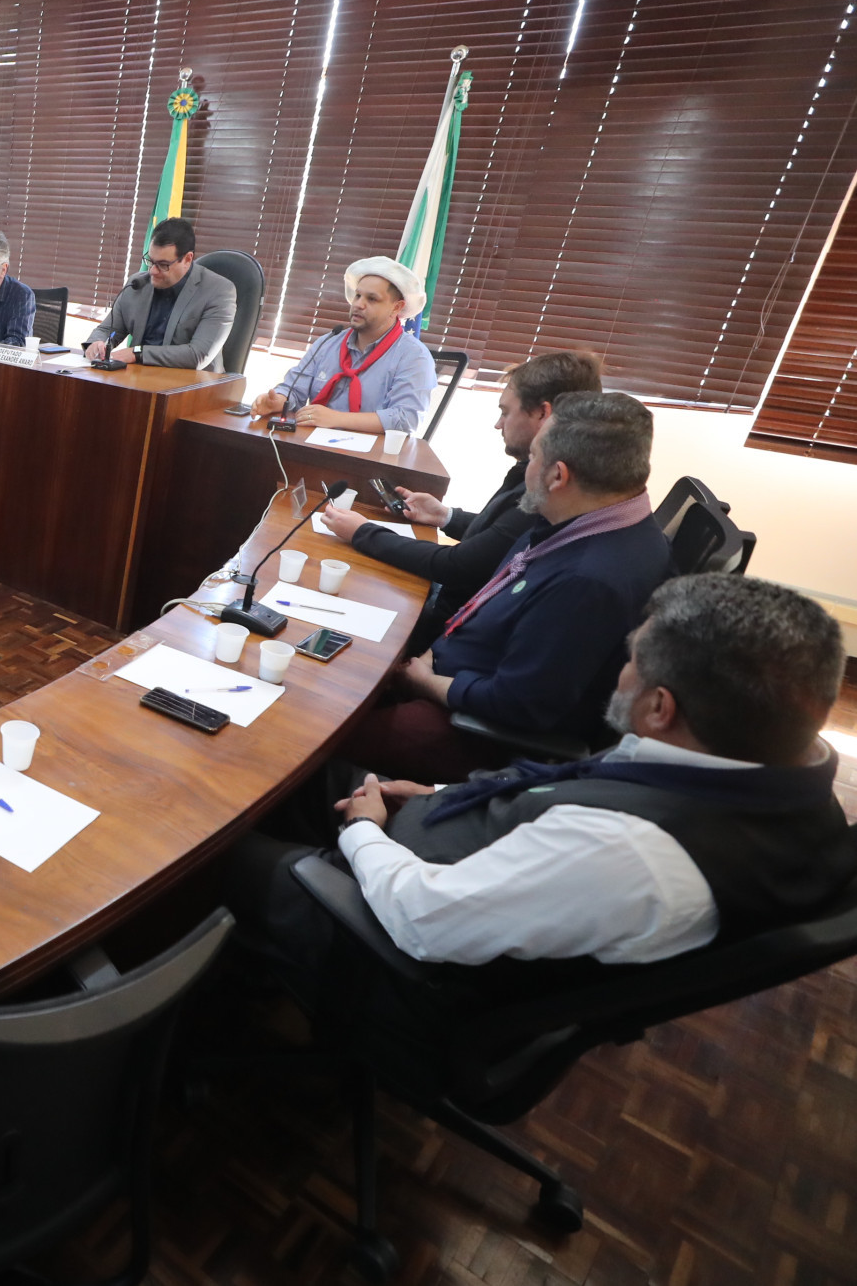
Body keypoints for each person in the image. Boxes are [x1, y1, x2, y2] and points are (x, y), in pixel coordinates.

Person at [225, 574, 855, 1063]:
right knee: (288, 771)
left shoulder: (631, 853)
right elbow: (579, 797)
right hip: (468, 854)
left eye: (633, 658)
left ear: (662, 707)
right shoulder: (774, 773)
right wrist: (437, 794)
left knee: (204, 844)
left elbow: (423, 920)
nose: (621, 668)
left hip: (395, 954)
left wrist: (363, 832)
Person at [342, 391, 671, 783]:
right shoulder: (589, 518)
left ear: (558, 476)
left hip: (474, 728)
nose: (525, 469)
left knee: (321, 729)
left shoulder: (587, 581)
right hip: (451, 672)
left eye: (533, 457)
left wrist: (426, 682)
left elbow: (519, 705)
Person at [320, 350, 603, 652]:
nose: (498, 424)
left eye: (506, 412)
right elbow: (502, 534)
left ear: (542, 414)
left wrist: (363, 533)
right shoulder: (541, 472)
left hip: (451, 634)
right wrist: (446, 516)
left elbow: (459, 567)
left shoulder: (550, 486)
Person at [251, 257, 437, 433]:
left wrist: (336, 419)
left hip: (368, 458)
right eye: (357, 296)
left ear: (396, 307)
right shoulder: (329, 341)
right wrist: (277, 401)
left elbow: (405, 419)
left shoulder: (414, 356)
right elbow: (294, 389)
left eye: (371, 299)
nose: (358, 304)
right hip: (311, 445)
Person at [83, 217, 238, 371]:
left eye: (163, 265)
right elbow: (107, 330)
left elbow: (198, 355)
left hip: (193, 386)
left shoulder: (219, 291)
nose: (152, 271)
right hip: (138, 379)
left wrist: (137, 353)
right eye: (151, 261)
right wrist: (96, 344)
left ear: (187, 259)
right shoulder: (137, 284)